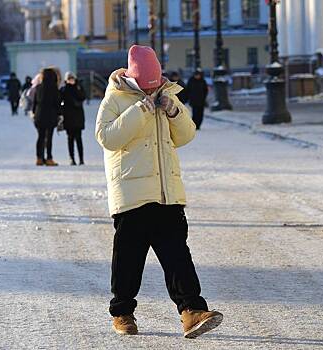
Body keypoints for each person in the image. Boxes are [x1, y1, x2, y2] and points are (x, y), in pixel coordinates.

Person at [95, 45, 223, 338]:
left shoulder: (168, 95)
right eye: (147, 84)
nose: (152, 89)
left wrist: (174, 110)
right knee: (128, 258)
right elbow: (107, 137)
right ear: (134, 78)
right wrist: (139, 110)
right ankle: (123, 312)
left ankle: (192, 311)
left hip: (167, 193)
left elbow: (186, 135)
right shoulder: (115, 98)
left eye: (155, 83)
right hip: (132, 195)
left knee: (178, 254)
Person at [32, 68, 62, 166]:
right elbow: (57, 103)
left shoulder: (39, 87)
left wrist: (34, 113)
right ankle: (49, 158)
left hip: (39, 115)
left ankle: (39, 158)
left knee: (40, 137)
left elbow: (35, 102)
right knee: (49, 138)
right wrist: (59, 114)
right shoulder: (54, 88)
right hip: (50, 115)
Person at [60, 71, 86, 165]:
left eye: (72, 78)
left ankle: (81, 159)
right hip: (68, 117)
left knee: (79, 138)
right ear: (66, 80)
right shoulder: (64, 89)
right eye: (69, 79)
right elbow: (60, 100)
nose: (71, 80)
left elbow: (83, 96)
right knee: (70, 138)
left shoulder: (78, 87)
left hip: (78, 117)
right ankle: (72, 158)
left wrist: (77, 87)